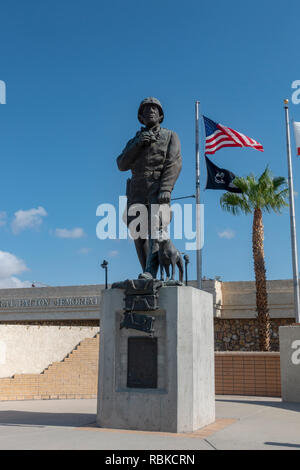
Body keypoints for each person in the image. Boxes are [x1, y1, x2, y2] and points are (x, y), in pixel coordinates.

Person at [116, 97, 182, 278]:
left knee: (156, 229)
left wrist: (166, 188)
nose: (150, 111)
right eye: (146, 110)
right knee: (137, 233)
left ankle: (150, 271)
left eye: (154, 109)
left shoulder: (170, 136)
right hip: (136, 189)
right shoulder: (134, 140)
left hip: (157, 187)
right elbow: (121, 164)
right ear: (141, 117)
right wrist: (137, 145)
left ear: (160, 116)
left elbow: (174, 163)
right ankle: (146, 270)